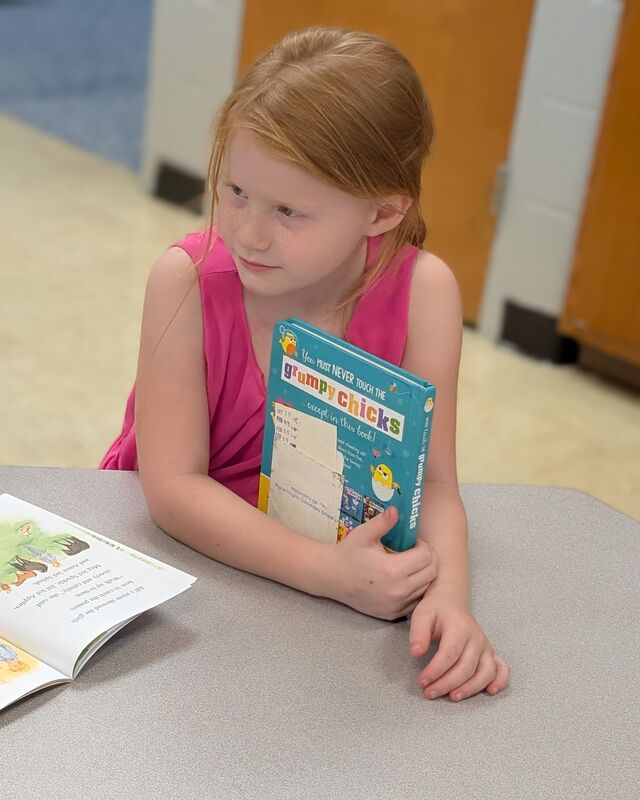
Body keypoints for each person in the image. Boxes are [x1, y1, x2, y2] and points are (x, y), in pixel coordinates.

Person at [101, 27, 508, 702]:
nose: (249, 232)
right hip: (183, 572)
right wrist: (328, 574)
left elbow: (433, 484)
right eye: (234, 192)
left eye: (289, 211)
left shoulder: (425, 292)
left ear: (382, 211)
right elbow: (171, 487)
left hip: (323, 602)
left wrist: (453, 601)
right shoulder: (187, 279)